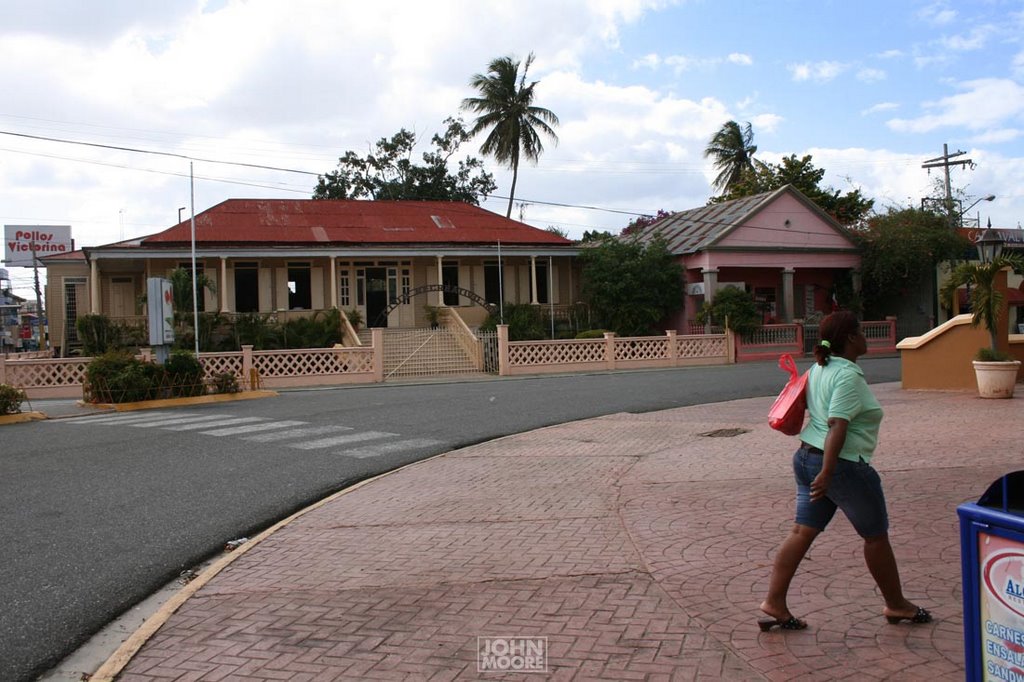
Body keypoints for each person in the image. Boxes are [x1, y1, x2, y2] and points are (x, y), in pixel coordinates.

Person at [758, 310, 932, 631]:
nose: (866, 337)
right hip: (841, 465)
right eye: (862, 332)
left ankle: (775, 602)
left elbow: (817, 413)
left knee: (801, 532)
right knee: (875, 536)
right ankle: (896, 605)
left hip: (806, 457)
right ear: (851, 338)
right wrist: (828, 472)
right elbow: (837, 424)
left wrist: (822, 470)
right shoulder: (847, 375)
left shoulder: (819, 369)